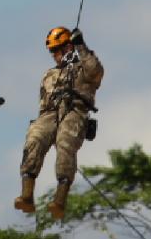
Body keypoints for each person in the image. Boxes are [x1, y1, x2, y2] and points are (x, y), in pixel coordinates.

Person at [14, 25, 104, 220]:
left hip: (75, 110)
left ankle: (60, 200)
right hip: (50, 113)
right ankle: (27, 194)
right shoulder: (50, 74)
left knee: (65, 142)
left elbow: (96, 72)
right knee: (35, 137)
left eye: (58, 49)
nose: (55, 55)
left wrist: (81, 47)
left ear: (68, 47)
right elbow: (42, 102)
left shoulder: (84, 68)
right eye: (52, 51)